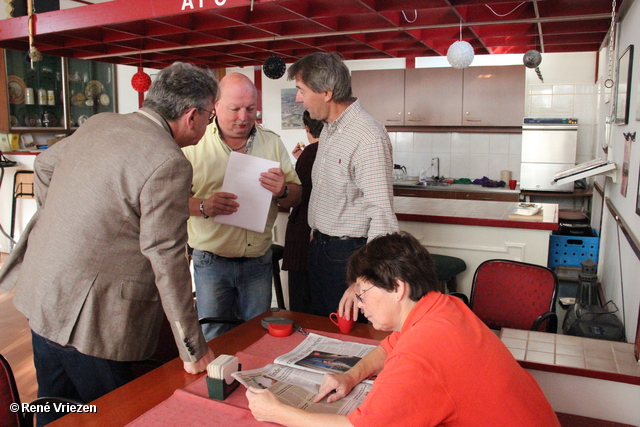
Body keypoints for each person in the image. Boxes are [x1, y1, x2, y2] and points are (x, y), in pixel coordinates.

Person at [0, 62, 218, 426]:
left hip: (45, 294)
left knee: (53, 408)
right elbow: (167, 260)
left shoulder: (99, 122)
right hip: (96, 320)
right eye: (211, 115)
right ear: (191, 115)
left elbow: (44, 167)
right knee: (115, 414)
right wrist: (192, 347)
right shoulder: (169, 163)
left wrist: (66, 226)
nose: (207, 123)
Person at [246, 232, 561, 427]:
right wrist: (350, 375)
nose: (360, 305)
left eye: (363, 294)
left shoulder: (420, 353)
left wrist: (278, 412)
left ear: (397, 288)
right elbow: (389, 347)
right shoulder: (444, 307)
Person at [183, 72, 301, 340]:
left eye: (250, 109)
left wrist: (283, 190)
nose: (243, 117)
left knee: (256, 336)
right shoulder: (193, 144)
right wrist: (203, 206)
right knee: (213, 335)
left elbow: (296, 196)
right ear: (215, 106)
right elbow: (167, 202)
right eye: (235, 109)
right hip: (211, 261)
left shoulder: (271, 142)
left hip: (258, 261)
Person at [286, 52, 398, 320]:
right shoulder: (329, 129)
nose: (298, 98)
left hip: (348, 258)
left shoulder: (367, 135)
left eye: (301, 90)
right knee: (320, 330)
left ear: (326, 92)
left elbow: (383, 216)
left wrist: (363, 279)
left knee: (345, 341)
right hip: (321, 251)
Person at [281, 110, 323, 313]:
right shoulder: (322, 151)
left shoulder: (311, 153)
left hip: (303, 241)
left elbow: (300, 196)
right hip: (317, 243)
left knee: (302, 309)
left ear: (307, 129)